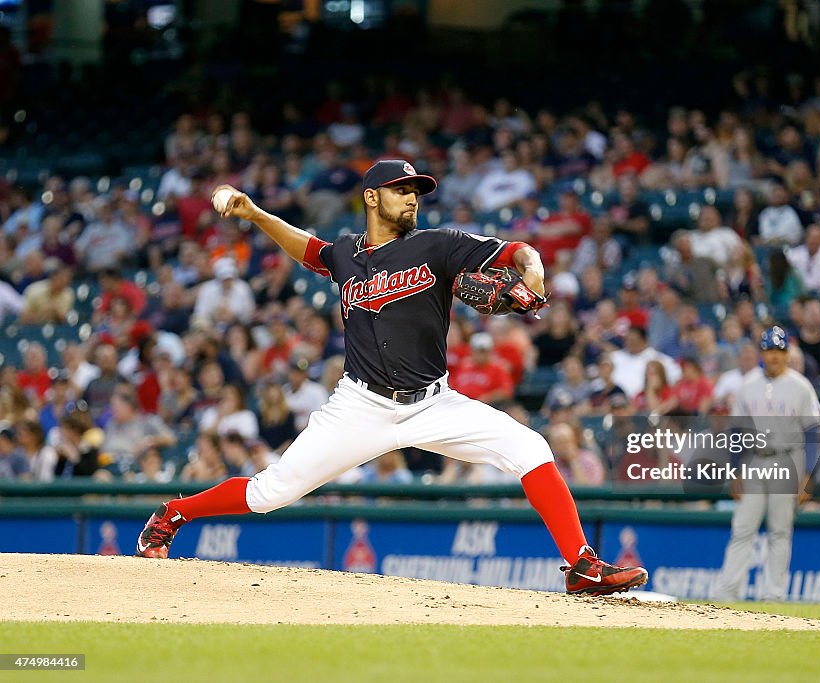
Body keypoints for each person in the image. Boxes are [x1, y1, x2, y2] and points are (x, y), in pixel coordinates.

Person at [134, 159, 647, 596]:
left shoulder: (438, 246)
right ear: (372, 198)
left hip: (433, 404)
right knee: (271, 493)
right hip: (360, 407)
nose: (412, 198)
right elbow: (309, 249)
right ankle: (173, 515)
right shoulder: (346, 256)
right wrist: (254, 213)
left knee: (531, 448)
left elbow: (517, 251)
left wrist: (532, 271)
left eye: (416, 191)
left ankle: (581, 566)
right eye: (402, 190)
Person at [714, 327, 820, 601]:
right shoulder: (748, 384)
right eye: (769, 351)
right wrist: (734, 470)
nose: (773, 357)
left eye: (778, 351)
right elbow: (737, 432)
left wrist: (809, 473)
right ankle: (728, 593)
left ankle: (773, 595)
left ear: (786, 354)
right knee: (742, 528)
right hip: (753, 459)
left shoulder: (801, 386)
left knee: (780, 530)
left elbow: (812, 432)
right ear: (762, 353)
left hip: (787, 458)